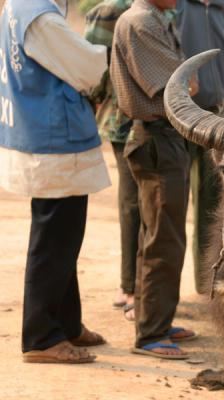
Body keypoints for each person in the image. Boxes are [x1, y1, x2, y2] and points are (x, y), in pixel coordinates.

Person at [0, 0, 109, 363]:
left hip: (44, 134)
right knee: (53, 241)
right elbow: (89, 66)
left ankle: (67, 323)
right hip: (54, 139)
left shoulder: (19, 7)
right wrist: (109, 52)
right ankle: (41, 336)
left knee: (63, 238)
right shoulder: (40, 17)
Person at [111, 0, 198, 359]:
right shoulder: (141, 22)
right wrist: (189, 81)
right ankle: (150, 334)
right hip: (158, 137)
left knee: (162, 236)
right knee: (163, 239)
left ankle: (157, 321)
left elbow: (187, 82)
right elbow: (183, 87)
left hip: (163, 137)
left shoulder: (152, 18)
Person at [174, 0, 224, 295]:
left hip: (220, 118)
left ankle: (206, 282)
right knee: (168, 205)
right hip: (178, 118)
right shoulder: (176, 6)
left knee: (214, 204)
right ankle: (139, 291)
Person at [84, 0, 138, 320]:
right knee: (133, 206)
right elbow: (92, 71)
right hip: (123, 123)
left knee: (154, 211)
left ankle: (142, 288)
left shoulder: (170, 8)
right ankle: (130, 286)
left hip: (160, 124)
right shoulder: (110, 11)